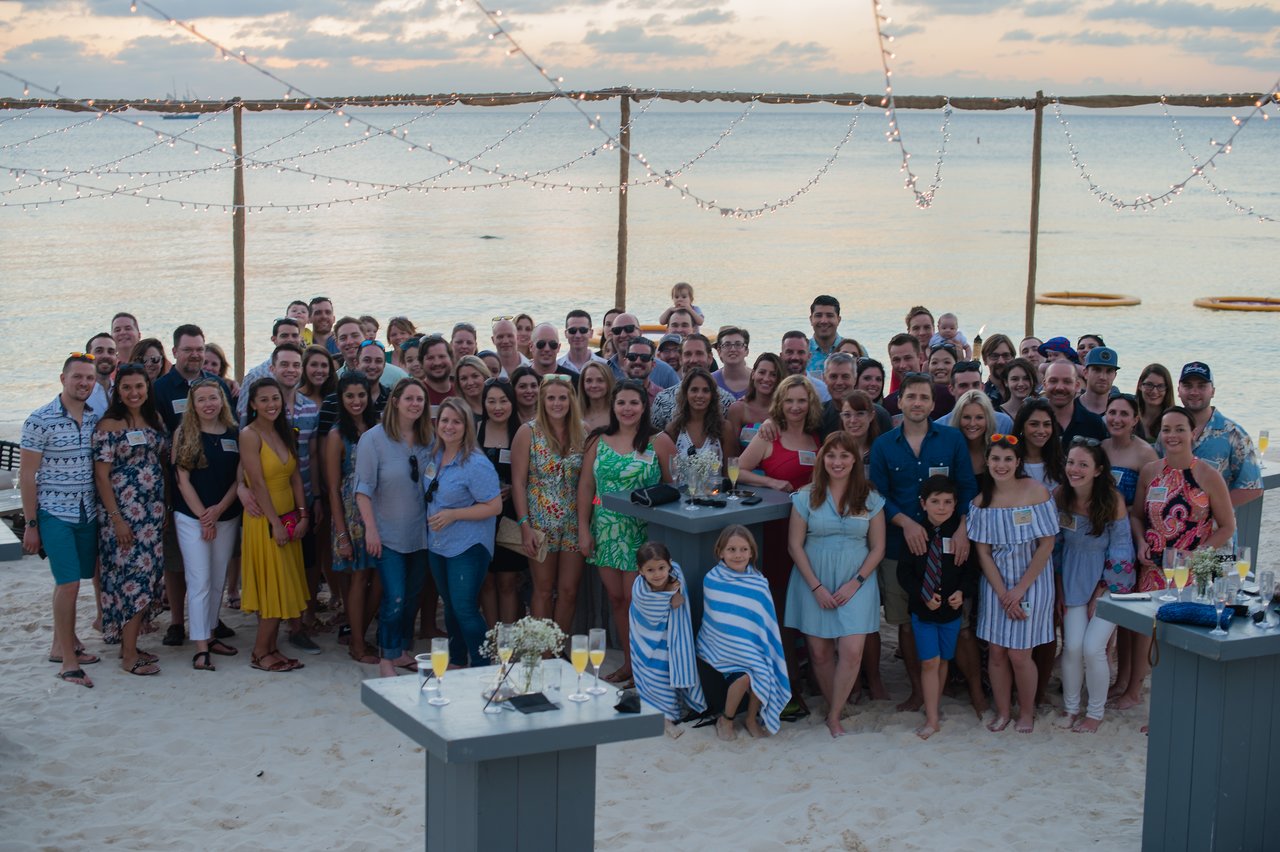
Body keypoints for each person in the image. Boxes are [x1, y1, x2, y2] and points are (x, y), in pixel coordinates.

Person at [869, 372, 978, 714]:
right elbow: (878, 495)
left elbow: (967, 487)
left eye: (924, 397)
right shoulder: (884, 445)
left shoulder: (952, 440)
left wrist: (963, 528)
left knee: (960, 624)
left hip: (950, 545)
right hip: (900, 546)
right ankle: (918, 692)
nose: (917, 403)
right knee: (906, 622)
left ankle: (976, 692)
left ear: (933, 404)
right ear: (899, 401)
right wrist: (906, 523)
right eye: (911, 396)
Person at [1117, 406, 1236, 711]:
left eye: (1179, 429)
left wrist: (1196, 556)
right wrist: (1141, 541)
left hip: (1193, 568)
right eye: (1166, 429)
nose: (1172, 435)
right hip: (1153, 564)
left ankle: (1173, 702)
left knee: (1181, 634)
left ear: (1193, 433)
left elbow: (1227, 527)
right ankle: (1133, 691)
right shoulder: (1150, 471)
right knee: (1146, 631)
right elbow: (1136, 516)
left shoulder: (1208, 475)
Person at [785, 431, 886, 738]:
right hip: (813, 579)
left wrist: (856, 582)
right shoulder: (806, 496)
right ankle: (835, 708)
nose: (837, 462)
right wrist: (816, 587)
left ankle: (834, 715)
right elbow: (794, 546)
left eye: (844, 455)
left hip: (857, 580)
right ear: (822, 459)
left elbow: (878, 547)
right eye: (831, 455)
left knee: (852, 650)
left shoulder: (870, 497)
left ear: (855, 460)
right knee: (819, 653)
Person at [578, 380, 676, 684]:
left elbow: (676, 486)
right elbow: (586, 486)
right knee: (617, 600)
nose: (627, 408)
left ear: (644, 406)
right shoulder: (597, 440)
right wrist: (583, 528)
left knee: (640, 602)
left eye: (634, 402)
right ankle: (630, 665)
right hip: (606, 530)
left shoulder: (659, 441)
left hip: (643, 534)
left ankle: (649, 669)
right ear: (613, 406)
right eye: (621, 402)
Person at [735, 374, 822, 717]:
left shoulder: (816, 436)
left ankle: (812, 675)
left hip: (812, 533)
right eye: (790, 401)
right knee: (782, 608)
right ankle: (789, 686)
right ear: (780, 404)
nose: (796, 407)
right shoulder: (768, 434)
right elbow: (738, 469)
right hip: (777, 533)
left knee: (808, 606)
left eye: (802, 400)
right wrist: (771, 481)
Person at [967, 434, 1058, 734]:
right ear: (987, 462)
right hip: (997, 585)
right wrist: (1004, 593)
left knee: (1020, 654)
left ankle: (1027, 712)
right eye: (995, 459)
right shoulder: (980, 503)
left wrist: (1019, 590)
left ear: (1018, 462)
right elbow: (983, 553)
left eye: (1008, 459)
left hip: (1033, 581)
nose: (1001, 465)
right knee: (996, 652)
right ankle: (1003, 711)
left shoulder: (1036, 492)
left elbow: (1047, 544)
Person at [22, 353, 101, 687]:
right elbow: (27, 475)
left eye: (89, 378)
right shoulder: (39, 420)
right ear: (63, 379)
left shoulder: (96, 418)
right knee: (68, 584)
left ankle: (61, 644)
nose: (84, 383)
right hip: (54, 513)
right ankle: (69, 662)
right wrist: (31, 524)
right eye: (77, 377)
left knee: (74, 581)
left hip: (88, 512)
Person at [356, 378, 434, 678]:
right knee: (395, 597)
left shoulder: (429, 438)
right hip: (387, 533)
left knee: (412, 596)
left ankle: (400, 650)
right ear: (396, 402)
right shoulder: (373, 439)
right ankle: (386, 659)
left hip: (422, 534)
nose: (415, 404)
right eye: (409, 398)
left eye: (420, 399)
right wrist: (370, 530)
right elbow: (363, 489)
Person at [93, 362, 168, 676]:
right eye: (127, 387)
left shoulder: (154, 419)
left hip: (152, 516)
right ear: (118, 391)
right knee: (130, 582)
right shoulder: (109, 424)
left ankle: (131, 645)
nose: (134, 392)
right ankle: (128, 655)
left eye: (139, 386)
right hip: (123, 516)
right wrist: (117, 520)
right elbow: (101, 476)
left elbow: (160, 462)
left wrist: (165, 508)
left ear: (147, 388)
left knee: (146, 580)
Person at [1055, 438, 1132, 732]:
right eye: (1071, 462)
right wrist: (1058, 587)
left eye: (1083, 464)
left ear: (1098, 470)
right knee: (1072, 646)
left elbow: (1121, 549)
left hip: (1109, 582)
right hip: (1072, 580)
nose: (1074, 469)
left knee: (1093, 647)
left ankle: (1095, 713)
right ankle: (1071, 707)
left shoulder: (1112, 501)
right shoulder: (1061, 495)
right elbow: (1056, 547)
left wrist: (1103, 588)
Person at [239, 378, 310, 674]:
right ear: (253, 404)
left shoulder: (284, 431)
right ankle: (259, 652)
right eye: (264, 399)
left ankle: (271, 647)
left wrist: (303, 515)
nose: (271, 404)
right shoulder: (249, 435)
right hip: (265, 520)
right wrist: (275, 524)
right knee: (273, 585)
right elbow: (256, 483)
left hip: (288, 515)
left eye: (275, 398)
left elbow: (295, 476)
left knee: (284, 584)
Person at [425, 397, 502, 666]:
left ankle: (483, 666)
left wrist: (453, 514)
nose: (449, 426)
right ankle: (457, 660)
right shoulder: (435, 455)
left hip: (468, 546)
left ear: (467, 426)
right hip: (439, 543)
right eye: (445, 420)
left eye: (456, 421)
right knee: (450, 606)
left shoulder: (476, 463)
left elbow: (494, 505)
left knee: (465, 608)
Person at [172, 379, 243, 671]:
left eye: (213, 398)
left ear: (222, 400)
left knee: (217, 579)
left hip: (226, 515)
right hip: (192, 518)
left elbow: (240, 479)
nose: (208, 404)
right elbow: (182, 480)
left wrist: (219, 511)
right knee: (199, 579)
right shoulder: (183, 432)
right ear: (193, 404)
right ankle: (201, 647)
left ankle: (211, 633)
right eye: (201, 400)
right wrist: (204, 516)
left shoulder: (234, 432)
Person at [896, 475, 973, 739]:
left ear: (955, 504)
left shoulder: (961, 536)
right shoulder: (916, 534)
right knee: (929, 661)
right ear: (923, 503)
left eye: (948, 502)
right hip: (923, 611)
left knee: (943, 662)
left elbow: (971, 572)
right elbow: (904, 574)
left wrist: (962, 592)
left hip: (951, 612)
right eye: (935, 501)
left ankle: (934, 707)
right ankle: (931, 719)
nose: (941, 507)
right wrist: (923, 594)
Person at [697, 525, 790, 740]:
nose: (738, 555)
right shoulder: (713, 580)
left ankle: (750, 719)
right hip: (721, 648)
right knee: (745, 677)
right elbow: (718, 622)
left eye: (743, 549)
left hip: (751, 648)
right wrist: (740, 650)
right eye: (731, 550)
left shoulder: (759, 583)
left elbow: (764, 625)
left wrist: (750, 652)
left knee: (762, 670)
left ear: (751, 552)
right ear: (720, 552)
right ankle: (726, 719)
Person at [512, 376, 585, 637]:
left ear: (571, 400)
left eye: (563, 398)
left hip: (574, 523)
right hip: (540, 523)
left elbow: (588, 481)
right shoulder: (528, 432)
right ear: (542, 401)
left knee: (569, 591)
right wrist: (524, 526)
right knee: (543, 589)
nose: (557, 403)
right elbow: (518, 482)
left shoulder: (583, 432)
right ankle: (542, 649)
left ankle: (557, 647)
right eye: (551, 398)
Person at [1100, 392, 1158, 703]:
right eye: (1112, 412)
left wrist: (1141, 541)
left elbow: (1149, 507)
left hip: (1135, 541)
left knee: (1134, 620)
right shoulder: (1101, 448)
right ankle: (1119, 679)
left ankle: (1132, 684)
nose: (1117, 419)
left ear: (1136, 419)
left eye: (1124, 414)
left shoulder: (1146, 454)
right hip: (1103, 541)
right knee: (1117, 615)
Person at [325, 373, 381, 665]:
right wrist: (342, 534)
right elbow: (333, 488)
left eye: (361, 395)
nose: (356, 401)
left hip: (380, 509)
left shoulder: (379, 426)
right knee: (359, 577)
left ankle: (358, 632)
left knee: (381, 577)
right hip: (351, 513)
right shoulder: (337, 435)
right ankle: (357, 644)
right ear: (341, 399)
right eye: (350, 396)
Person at [629, 542, 707, 737]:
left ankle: (671, 711)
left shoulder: (676, 574)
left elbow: (679, 601)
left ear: (670, 565)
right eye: (650, 570)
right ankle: (665, 719)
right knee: (655, 675)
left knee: (670, 671)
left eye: (661, 568)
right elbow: (650, 613)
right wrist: (668, 595)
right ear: (640, 571)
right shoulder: (640, 591)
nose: (657, 574)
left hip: (671, 637)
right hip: (648, 642)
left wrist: (674, 592)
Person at [1176, 361, 1263, 507]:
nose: (1194, 392)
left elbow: (1253, 487)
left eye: (1201, 386)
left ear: (1213, 391)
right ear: (1179, 390)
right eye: (1188, 386)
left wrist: (1211, 510)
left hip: (1216, 521)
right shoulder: (1168, 431)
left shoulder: (1234, 434)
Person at [476, 378, 524, 626]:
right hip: (480, 516)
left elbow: (532, 474)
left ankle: (507, 636)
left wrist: (514, 489)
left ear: (512, 402)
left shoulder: (522, 431)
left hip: (511, 514)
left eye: (503, 401)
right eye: (491, 401)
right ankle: (492, 637)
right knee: (485, 580)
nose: (497, 407)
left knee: (507, 581)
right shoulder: (475, 430)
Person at [651, 334, 733, 431]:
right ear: (681, 359)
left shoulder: (726, 401)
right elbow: (654, 438)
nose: (693, 360)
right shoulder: (662, 400)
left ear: (710, 358)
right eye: (688, 354)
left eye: (699, 353)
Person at [236, 317, 303, 421]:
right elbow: (242, 413)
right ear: (274, 339)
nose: (290, 339)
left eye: (294, 335)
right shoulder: (255, 375)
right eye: (284, 335)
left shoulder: (304, 371)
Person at [724, 353, 782, 457]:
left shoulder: (784, 411)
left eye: (773, 374)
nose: (766, 378)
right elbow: (732, 454)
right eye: (762, 372)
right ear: (753, 374)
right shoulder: (738, 409)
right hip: (743, 466)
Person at [665, 368, 726, 460]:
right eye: (694, 390)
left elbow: (731, 466)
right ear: (686, 393)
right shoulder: (673, 429)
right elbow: (669, 466)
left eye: (705, 390)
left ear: (712, 395)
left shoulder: (724, 428)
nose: (699, 395)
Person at [606, 312, 679, 388]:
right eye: (617, 330)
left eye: (629, 329)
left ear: (640, 332)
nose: (623, 335)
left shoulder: (665, 372)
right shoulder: (605, 370)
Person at [1043, 360, 1107, 446]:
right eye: (1053, 381)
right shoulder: (1033, 422)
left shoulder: (1094, 423)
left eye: (1067, 381)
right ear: (1044, 385)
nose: (1059, 387)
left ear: (1077, 386)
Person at [948, 389, 999, 487]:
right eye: (966, 417)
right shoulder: (948, 451)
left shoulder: (997, 450)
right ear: (958, 418)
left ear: (988, 419)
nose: (972, 423)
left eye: (979, 417)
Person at [1014, 397, 1066, 492]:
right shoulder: (1010, 463)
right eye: (1034, 424)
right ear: (1022, 427)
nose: (1041, 431)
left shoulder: (1061, 462)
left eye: (1047, 424)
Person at [780, 331, 830, 401]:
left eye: (801, 352)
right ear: (781, 356)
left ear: (809, 356)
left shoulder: (822, 390)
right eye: (789, 352)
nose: (795, 357)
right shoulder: (773, 387)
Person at [838, 390, 881, 463]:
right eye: (847, 415)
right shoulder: (831, 450)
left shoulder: (883, 451)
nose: (853, 420)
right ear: (841, 417)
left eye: (860, 414)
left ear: (871, 416)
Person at [1135, 363, 1174, 443]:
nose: (1154, 391)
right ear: (1140, 385)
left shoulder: (1174, 420)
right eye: (1149, 385)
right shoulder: (1129, 417)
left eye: (1160, 386)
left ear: (1167, 389)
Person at [710, 326, 751, 400]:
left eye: (738, 344)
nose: (733, 349)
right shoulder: (710, 381)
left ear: (747, 351)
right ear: (719, 351)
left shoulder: (758, 380)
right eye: (727, 345)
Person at [806, 295, 844, 374]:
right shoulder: (801, 352)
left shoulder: (853, 351)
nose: (824, 321)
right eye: (818, 315)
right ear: (811, 319)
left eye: (829, 316)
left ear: (838, 320)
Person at [1079, 347, 1120, 416]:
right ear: (1085, 373)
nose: (1103, 377)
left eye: (1109, 371)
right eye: (1097, 370)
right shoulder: (1070, 408)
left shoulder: (1120, 413)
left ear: (1115, 375)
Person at [84, 332, 117, 416]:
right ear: (88, 357)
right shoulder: (79, 394)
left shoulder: (121, 391)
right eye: (99, 351)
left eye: (111, 352)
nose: (106, 356)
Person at [578, 360, 615, 432]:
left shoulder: (618, 415)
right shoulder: (574, 414)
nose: (594, 385)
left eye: (600, 380)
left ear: (609, 382)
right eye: (589, 381)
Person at [980, 333, 1016, 405]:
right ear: (985, 360)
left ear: (1013, 358)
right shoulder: (981, 398)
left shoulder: (1023, 393)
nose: (1001, 362)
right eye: (994, 356)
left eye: (1006, 355)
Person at [454, 354, 491, 420]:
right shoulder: (456, 411)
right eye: (464, 378)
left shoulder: (497, 406)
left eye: (475, 376)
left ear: (485, 377)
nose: (470, 383)